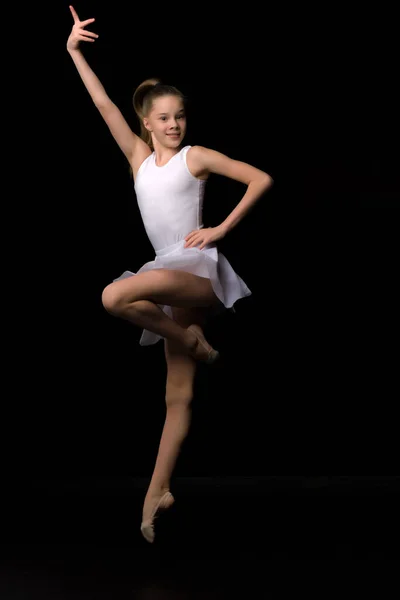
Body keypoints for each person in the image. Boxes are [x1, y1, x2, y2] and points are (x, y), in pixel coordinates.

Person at [66, 5, 274, 543]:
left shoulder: (195, 157)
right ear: (146, 123)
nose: (174, 124)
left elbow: (260, 178)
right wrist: (73, 51)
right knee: (177, 394)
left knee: (115, 296)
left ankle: (189, 335)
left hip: (196, 272)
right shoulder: (138, 159)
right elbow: (102, 104)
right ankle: (154, 495)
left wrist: (220, 229)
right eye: (163, 118)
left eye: (179, 115)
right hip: (165, 269)